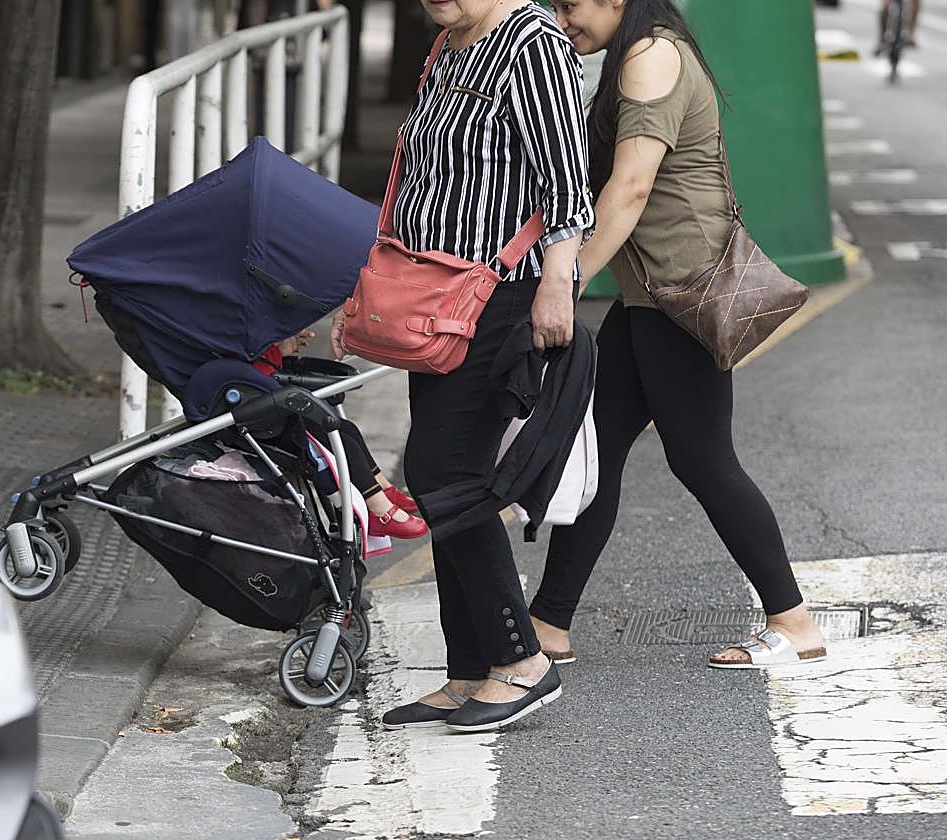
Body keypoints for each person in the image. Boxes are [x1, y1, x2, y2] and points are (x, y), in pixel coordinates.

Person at [530, 0, 826, 669]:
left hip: (681, 293)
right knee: (597, 449)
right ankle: (549, 622)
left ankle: (793, 619)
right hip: (648, 297)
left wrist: (565, 279)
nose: (562, 18)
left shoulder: (652, 54)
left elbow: (630, 189)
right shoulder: (628, 56)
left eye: (570, 4)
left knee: (702, 459)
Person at [333, 0, 593, 732]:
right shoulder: (449, 42)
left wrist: (556, 280)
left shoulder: (532, 43)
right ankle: (469, 669)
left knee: (447, 474)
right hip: (435, 296)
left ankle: (521, 661)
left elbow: (568, 185)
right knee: (443, 474)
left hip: (500, 297)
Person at [255, 331, 428, 539]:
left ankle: (383, 489)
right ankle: (378, 509)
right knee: (340, 440)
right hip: (261, 405)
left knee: (348, 429)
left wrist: (277, 349)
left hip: (264, 389)